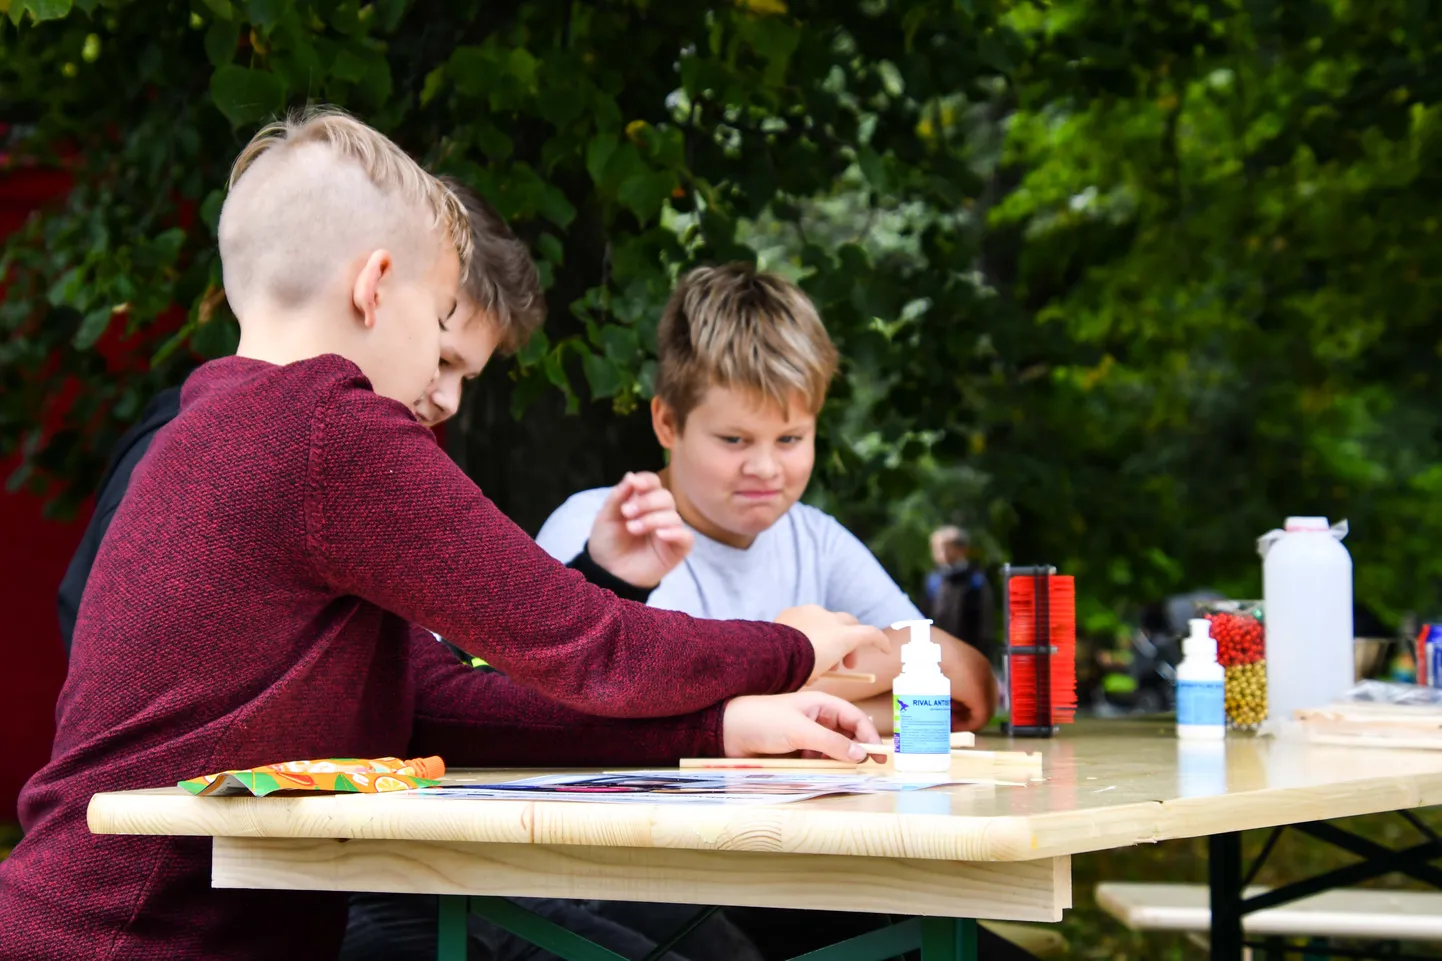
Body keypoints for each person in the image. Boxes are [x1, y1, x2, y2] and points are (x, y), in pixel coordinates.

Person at [0, 107, 886, 961]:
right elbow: (586, 640)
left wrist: (718, 723)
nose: (438, 378)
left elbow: (436, 706)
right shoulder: (328, 429)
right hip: (132, 939)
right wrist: (788, 648)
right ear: (375, 284)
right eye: (437, 321)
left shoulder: (209, 426)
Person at [536, 263, 997, 736]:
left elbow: (966, 692)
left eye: (790, 439)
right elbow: (574, 714)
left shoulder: (816, 539)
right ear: (667, 423)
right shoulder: (603, 534)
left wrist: (761, 710)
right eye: (734, 439)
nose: (765, 469)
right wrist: (807, 673)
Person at [924, 525, 997, 667]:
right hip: (939, 654)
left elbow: (984, 624)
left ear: (961, 550)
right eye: (936, 549)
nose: (940, 553)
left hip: (968, 653)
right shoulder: (934, 581)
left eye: (945, 548)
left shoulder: (975, 581)